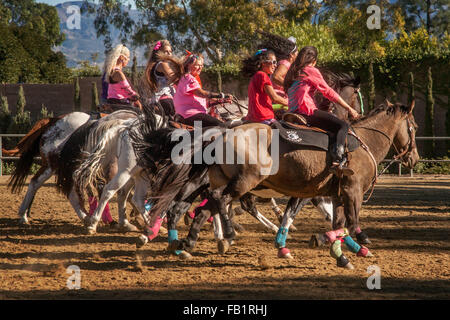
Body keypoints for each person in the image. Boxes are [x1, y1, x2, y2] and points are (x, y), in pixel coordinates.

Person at [284, 46, 360, 175]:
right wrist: (349, 108)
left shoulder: (293, 73)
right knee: (343, 125)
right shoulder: (310, 70)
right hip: (306, 111)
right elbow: (328, 92)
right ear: (313, 60)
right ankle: (337, 161)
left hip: (292, 112)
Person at [173, 52, 231, 128]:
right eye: (198, 65)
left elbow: (200, 102)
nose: (201, 67)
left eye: (202, 65)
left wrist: (220, 100)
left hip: (188, 115)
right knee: (222, 126)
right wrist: (223, 95)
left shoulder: (184, 78)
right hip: (191, 115)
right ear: (188, 65)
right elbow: (202, 94)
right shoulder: (188, 78)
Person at [241, 48, 288, 125]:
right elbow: (275, 98)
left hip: (253, 117)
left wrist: (281, 105)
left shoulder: (255, 76)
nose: (275, 65)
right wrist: (290, 103)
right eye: (273, 62)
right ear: (263, 63)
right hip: (264, 117)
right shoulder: (263, 75)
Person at [257, 32, 298, 100]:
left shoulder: (283, 63)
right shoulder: (285, 63)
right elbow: (276, 77)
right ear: (291, 55)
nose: (298, 55)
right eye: (297, 52)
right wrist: (291, 86)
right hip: (278, 97)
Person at [144, 39, 177, 117]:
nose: (169, 54)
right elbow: (175, 79)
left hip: (158, 100)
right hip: (166, 101)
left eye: (170, 51)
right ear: (159, 53)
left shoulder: (155, 65)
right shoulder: (162, 65)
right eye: (166, 51)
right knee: (200, 121)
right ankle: (198, 129)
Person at [104, 44, 142, 111]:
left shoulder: (112, 71)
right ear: (122, 57)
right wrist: (137, 99)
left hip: (111, 102)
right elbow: (128, 91)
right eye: (128, 57)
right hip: (119, 103)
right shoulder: (118, 73)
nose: (128, 60)